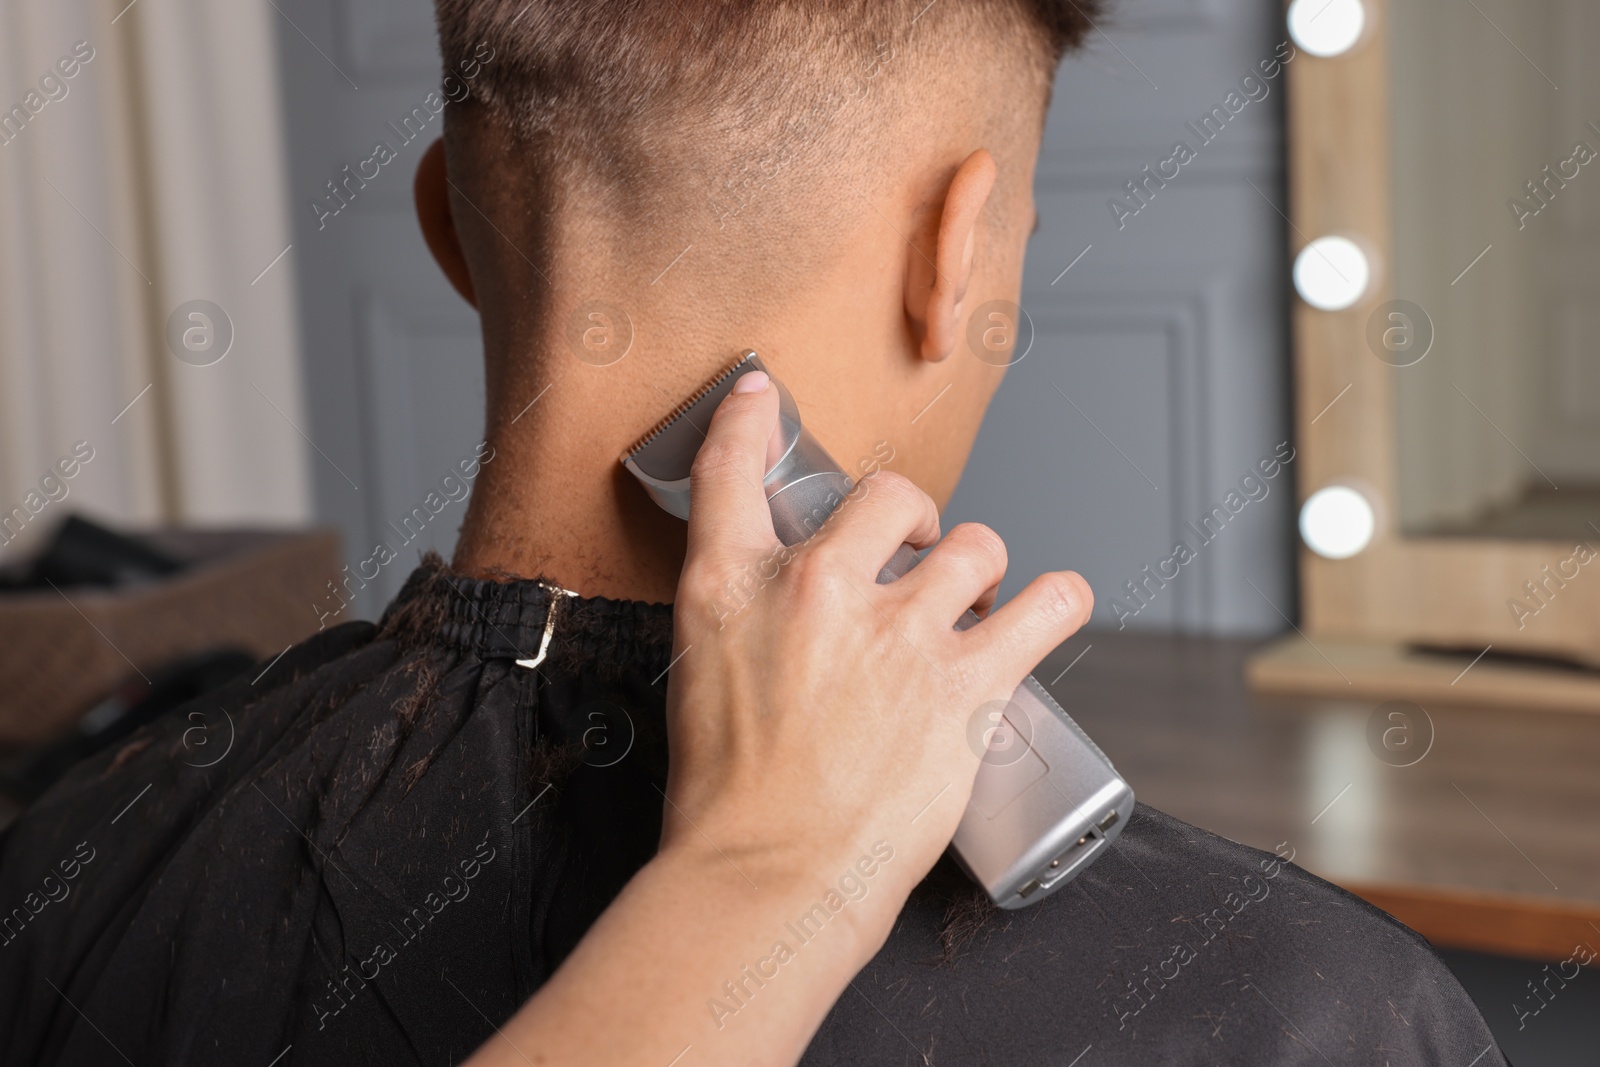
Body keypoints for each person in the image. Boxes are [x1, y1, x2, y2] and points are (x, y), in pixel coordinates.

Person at [0, 1, 1505, 1064]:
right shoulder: (1306, 1014)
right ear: (956, 255)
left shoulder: (62, 877)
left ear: (451, 227)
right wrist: (772, 881)